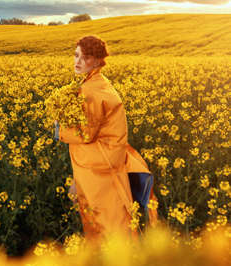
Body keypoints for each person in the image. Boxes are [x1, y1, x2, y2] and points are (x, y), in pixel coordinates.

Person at [54, 35, 159, 247]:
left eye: (86, 57)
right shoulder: (99, 83)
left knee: (103, 221)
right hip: (107, 160)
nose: (78, 62)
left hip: (98, 165)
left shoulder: (90, 91)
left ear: (98, 61)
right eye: (76, 55)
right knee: (115, 216)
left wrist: (60, 131)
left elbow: (86, 134)